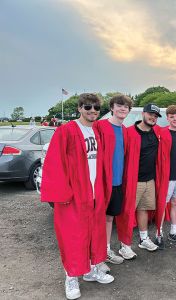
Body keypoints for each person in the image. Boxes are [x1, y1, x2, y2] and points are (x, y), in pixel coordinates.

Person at [41, 93, 113, 300]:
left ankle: (92, 269)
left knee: (96, 232)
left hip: (95, 191)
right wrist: (62, 193)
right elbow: (54, 164)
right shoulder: (67, 131)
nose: (93, 111)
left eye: (96, 108)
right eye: (88, 107)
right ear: (80, 108)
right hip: (74, 194)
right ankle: (71, 276)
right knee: (73, 236)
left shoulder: (98, 131)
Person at [115, 103, 163, 252]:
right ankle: (125, 245)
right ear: (143, 114)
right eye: (150, 114)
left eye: (155, 116)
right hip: (133, 181)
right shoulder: (129, 132)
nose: (153, 118)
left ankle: (143, 239)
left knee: (144, 210)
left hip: (150, 180)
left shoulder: (157, 132)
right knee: (127, 213)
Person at [94, 95, 133, 268]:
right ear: (112, 107)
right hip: (101, 183)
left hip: (117, 182)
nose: (122, 109)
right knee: (97, 219)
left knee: (109, 218)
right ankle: (96, 255)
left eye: (126, 107)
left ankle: (106, 250)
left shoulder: (125, 130)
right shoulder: (100, 126)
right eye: (119, 105)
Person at [155, 105, 176, 244]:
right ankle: (159, 233)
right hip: (167, 176)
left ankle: (173, 232)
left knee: (175, 202)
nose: (174, 119)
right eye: (171, 116)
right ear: (167, 118)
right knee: (163, 203)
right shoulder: (162, 132)